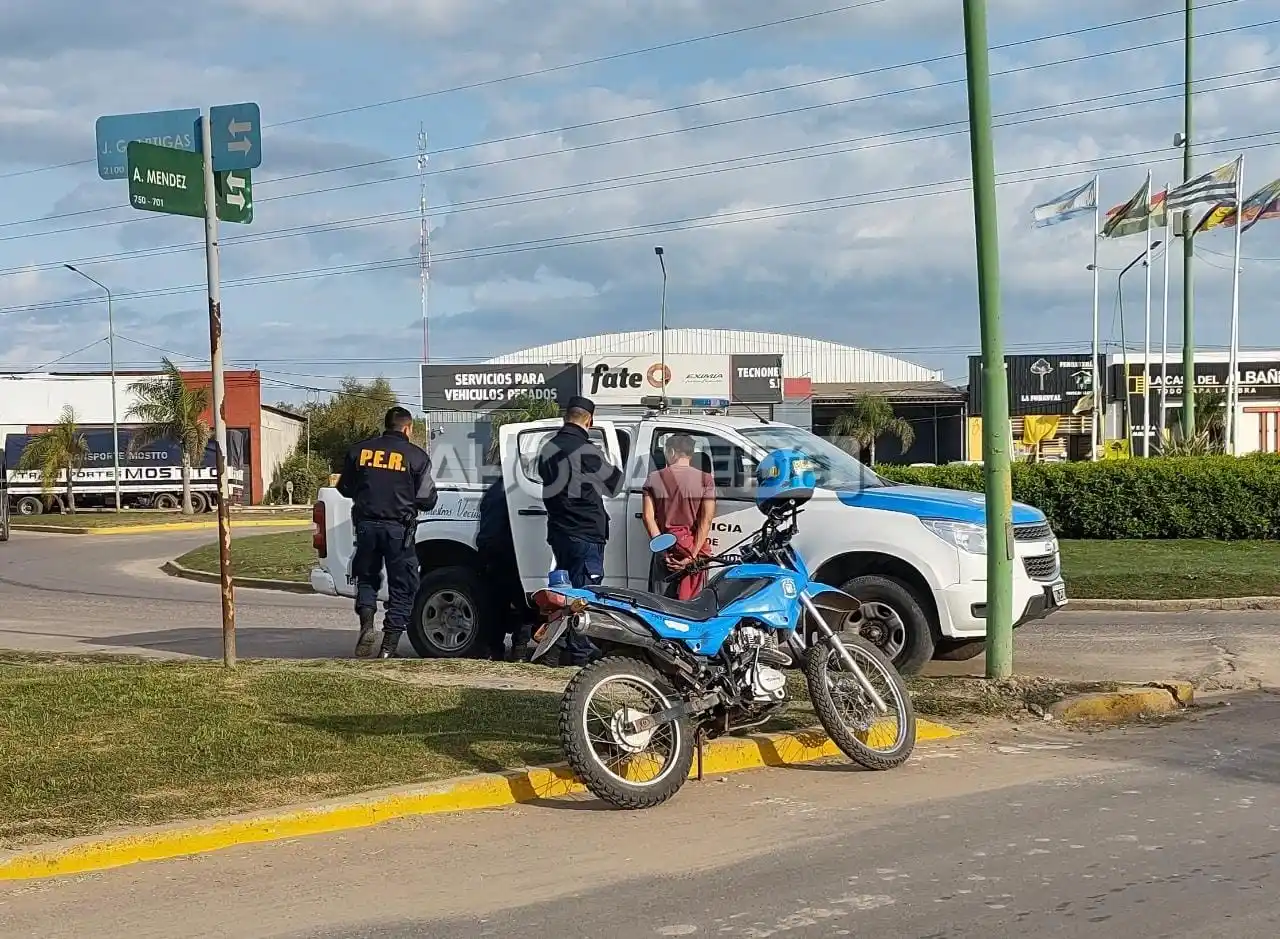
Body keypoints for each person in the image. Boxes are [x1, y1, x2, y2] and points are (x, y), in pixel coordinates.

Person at [336, 406, 438, 659]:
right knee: (403, 585)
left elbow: (345, 487)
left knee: (367, 577)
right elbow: (426, 499)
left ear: (386, 424)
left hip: (366, 526)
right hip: (399, 531)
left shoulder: (359, 451)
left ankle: (367, 624)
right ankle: (388, 645)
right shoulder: (417, 457)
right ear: (407, 427)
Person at [536, 395, 623, 665]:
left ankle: (560, 645)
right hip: (586, 530)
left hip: (560, 531)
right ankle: (579, 651)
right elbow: (615, 483)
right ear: (590, 420)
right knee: (586, 592)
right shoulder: (587, 450)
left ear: (566, 417)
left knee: (565, 592)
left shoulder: (548, 448)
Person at [642, 433, 716, 600]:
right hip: (694, 552)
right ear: (690, 454)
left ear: (672, 452)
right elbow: (706, 520)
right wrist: (692, 556)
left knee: (661, 605)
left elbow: (648, 517)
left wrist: (663, 551)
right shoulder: (706, 480)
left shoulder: (654, 479)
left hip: (667, 552)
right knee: (693, 607)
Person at [476, 474, 535, 661]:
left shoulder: (494, 490)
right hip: (514, 553)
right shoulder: (523, 491)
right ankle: (519, 651)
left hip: (492, 553)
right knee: (524, 605)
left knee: (495, 605)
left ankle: (493, 651)